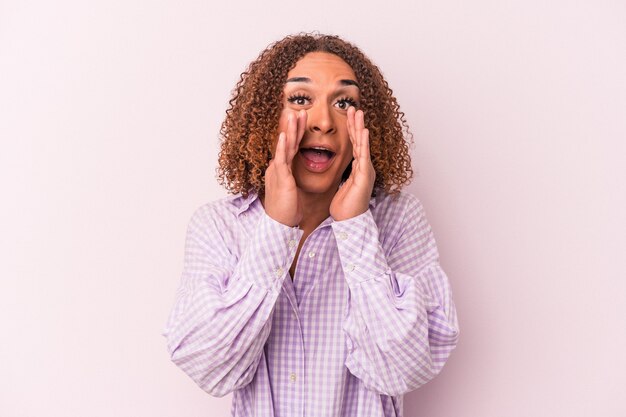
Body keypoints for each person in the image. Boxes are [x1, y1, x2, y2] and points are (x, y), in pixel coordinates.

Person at [162, 33, 460, 417]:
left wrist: (354, 226)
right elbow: (212, 368)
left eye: (344, 102)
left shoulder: (398, 220)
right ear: (266, 117)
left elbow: (404, 368)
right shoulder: (219, 225)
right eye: (300, 99)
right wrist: (275, 227)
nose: (323, 121)